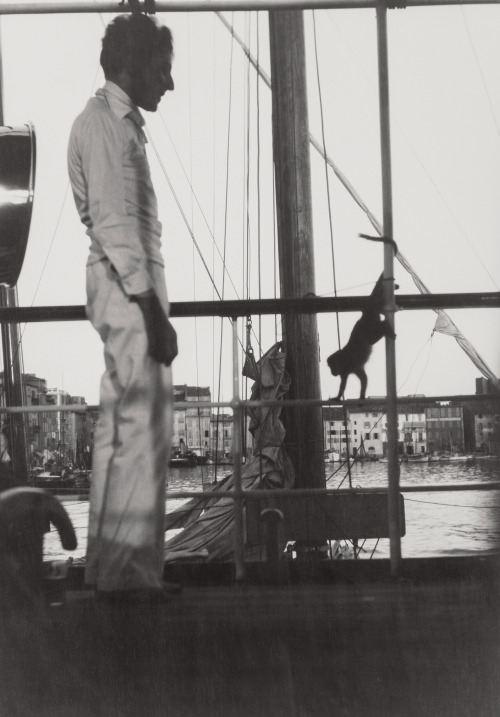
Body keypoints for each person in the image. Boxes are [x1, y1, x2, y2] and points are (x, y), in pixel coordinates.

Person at [68, 13, 179, 602]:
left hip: (121, 282)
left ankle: (109, 573)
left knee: (120, 429)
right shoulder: (108, 127)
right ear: (131, 65)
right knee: (142, 429)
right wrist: (155, 313)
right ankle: (132, 579)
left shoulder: (107, 124)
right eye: (162, 69)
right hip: (130, 286)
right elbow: (115, 225)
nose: (168, 82)